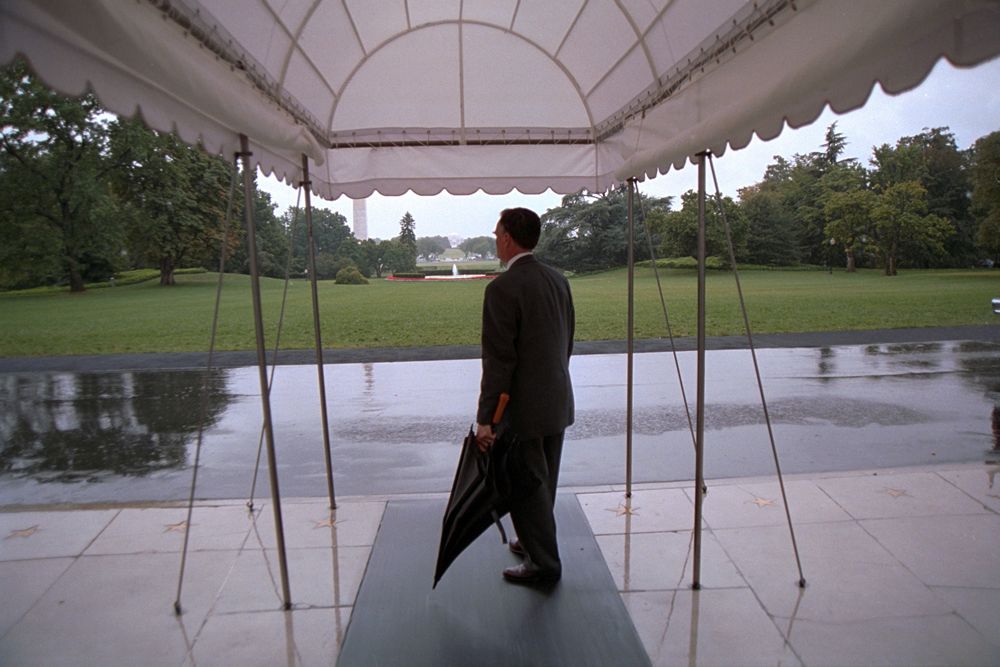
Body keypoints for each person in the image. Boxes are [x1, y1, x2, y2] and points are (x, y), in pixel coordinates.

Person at [475, 207, 575, 585]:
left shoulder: (502, 289)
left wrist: (486, 418)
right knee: (544, 481)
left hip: (524, 409)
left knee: (528, 484)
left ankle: (543, 565)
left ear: (507, 238)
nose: (495, 237)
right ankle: (532, 540)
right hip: (556, 399)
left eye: (497, 231)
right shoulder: (557, 280)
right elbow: (567, 342)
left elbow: (499, 361)